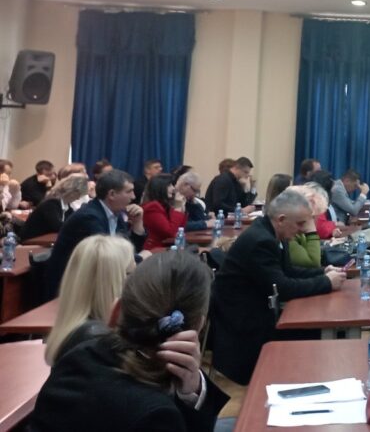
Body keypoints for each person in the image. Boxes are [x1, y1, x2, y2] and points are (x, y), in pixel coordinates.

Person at [30, 251, 229, 431]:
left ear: (116, 310)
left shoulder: (76, 358)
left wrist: (192, 392)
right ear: (199, 325)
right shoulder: (157, 415)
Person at [209, 189, 346, 384]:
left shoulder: (272, 232)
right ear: (281, 219)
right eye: (300, 224)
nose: (303, 230)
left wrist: (323, 272)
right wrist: (326, 282)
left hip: (258, 312)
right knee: (315, 332)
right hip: (245, 327)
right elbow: (283, 287)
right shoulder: (261, 241)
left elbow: (287, 271)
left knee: (318, 328)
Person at [46, 170, 149, 299]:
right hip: (71, 289)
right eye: (129, 191)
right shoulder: (89, 217)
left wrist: (138, 223)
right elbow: (106, 258)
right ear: (112, 194)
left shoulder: (115, 214)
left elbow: (129, 249)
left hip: (96, 281)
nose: (133, 197)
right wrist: (140, 258)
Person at [44, 234, 135, 365]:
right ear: (110, 283)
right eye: (131, 273)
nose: (137, 280)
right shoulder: (97, 344)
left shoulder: (73, 332)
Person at [20, 175, 89, 241]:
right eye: (79, 194)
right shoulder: (51, 203)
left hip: (46, 237)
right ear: (73, 192)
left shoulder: (66, 206)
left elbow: (73, 222)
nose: (78, 198)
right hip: (32, 238)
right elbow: (58, 226)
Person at [142, 175, 187, 252]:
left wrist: (181, 209)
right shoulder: (152, 207)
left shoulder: (164, 206)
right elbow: (170, 232)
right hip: (155, 250)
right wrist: (177, 208)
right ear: (160, 187)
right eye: (169, 185)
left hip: (167, 248)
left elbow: (180, 230)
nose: (173, 188)